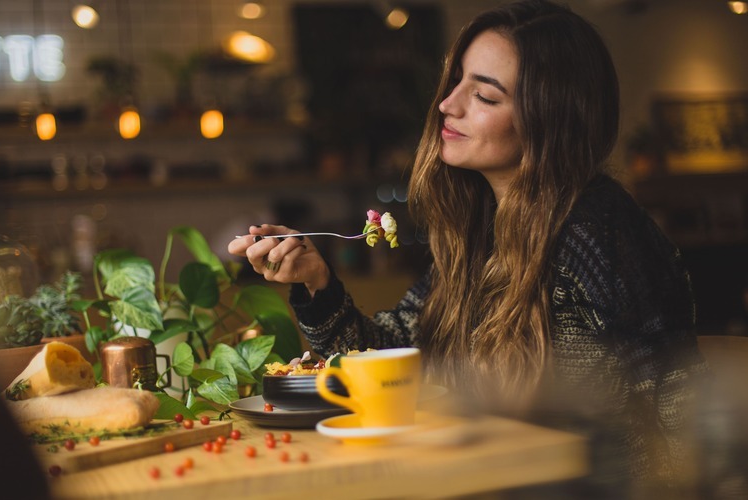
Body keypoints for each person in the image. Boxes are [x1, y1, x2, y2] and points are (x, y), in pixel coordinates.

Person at [229, 0, 708, 494]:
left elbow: (674, 400)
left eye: (484, 95)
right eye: (456, 80)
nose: (447, 104)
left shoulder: (597, 230)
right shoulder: (479, 233)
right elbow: (391, 364)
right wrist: (317, 281)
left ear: (550, 120)